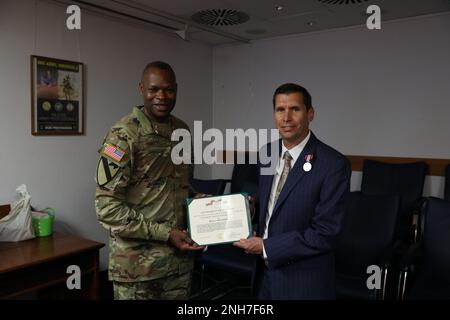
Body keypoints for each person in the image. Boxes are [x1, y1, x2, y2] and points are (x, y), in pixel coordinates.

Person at [95, 61, 203, 300]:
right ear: (142, 88)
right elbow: (107, 208)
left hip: (178, 267)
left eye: (168, 90)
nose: (161, 96)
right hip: (138, 271)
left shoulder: (181, 131)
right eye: (154, 89)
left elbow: (178, 185)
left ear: (176, 89)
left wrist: (196, 200)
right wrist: (166, 233)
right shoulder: (122, 135)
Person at [234, 83, 351, 299]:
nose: (286, 117)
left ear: (310, 114)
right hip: (264, 275)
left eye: (294, 109)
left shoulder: (333, 164)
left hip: (303, 280)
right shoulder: (267, 152)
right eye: (280, 110)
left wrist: (267, 247)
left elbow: (326, 233)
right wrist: (249, 208)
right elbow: (270, 203)